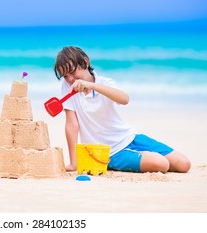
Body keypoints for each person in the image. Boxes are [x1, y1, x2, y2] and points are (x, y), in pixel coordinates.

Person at [53, 46, 191, 173]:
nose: (70, 79)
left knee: (184, 164)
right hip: (108, 152)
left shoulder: (105, 83)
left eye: (72, 72)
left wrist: (92, 86)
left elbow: (124, 99)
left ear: (85, 62)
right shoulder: (67, 87)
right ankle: (112, 163)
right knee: (161, 164)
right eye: (65, 76)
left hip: (129, 137)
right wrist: (74, 163)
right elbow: (72, 124)